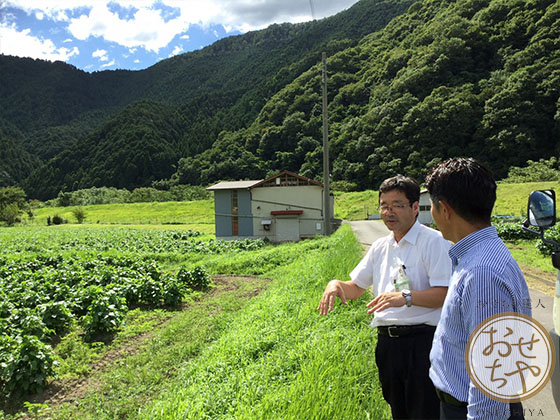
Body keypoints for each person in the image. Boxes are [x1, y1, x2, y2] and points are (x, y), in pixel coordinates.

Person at [318, 175, 451, 420]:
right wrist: (336, 285)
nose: (389, 212)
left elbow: (445, 294)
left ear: (414, 208)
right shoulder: (380, 246)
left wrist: (405, 297)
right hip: (388, 345)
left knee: (425, 412)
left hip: (423, 343)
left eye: (397, 205)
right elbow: (356, 287)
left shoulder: (434, 242)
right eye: (384, 205)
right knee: (398, 410)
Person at [426, 157, 531, 420]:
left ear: (445, 210)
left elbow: (492, 377)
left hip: (471, 410)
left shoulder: (481, 273)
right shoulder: (479, 256)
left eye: (431, 206)